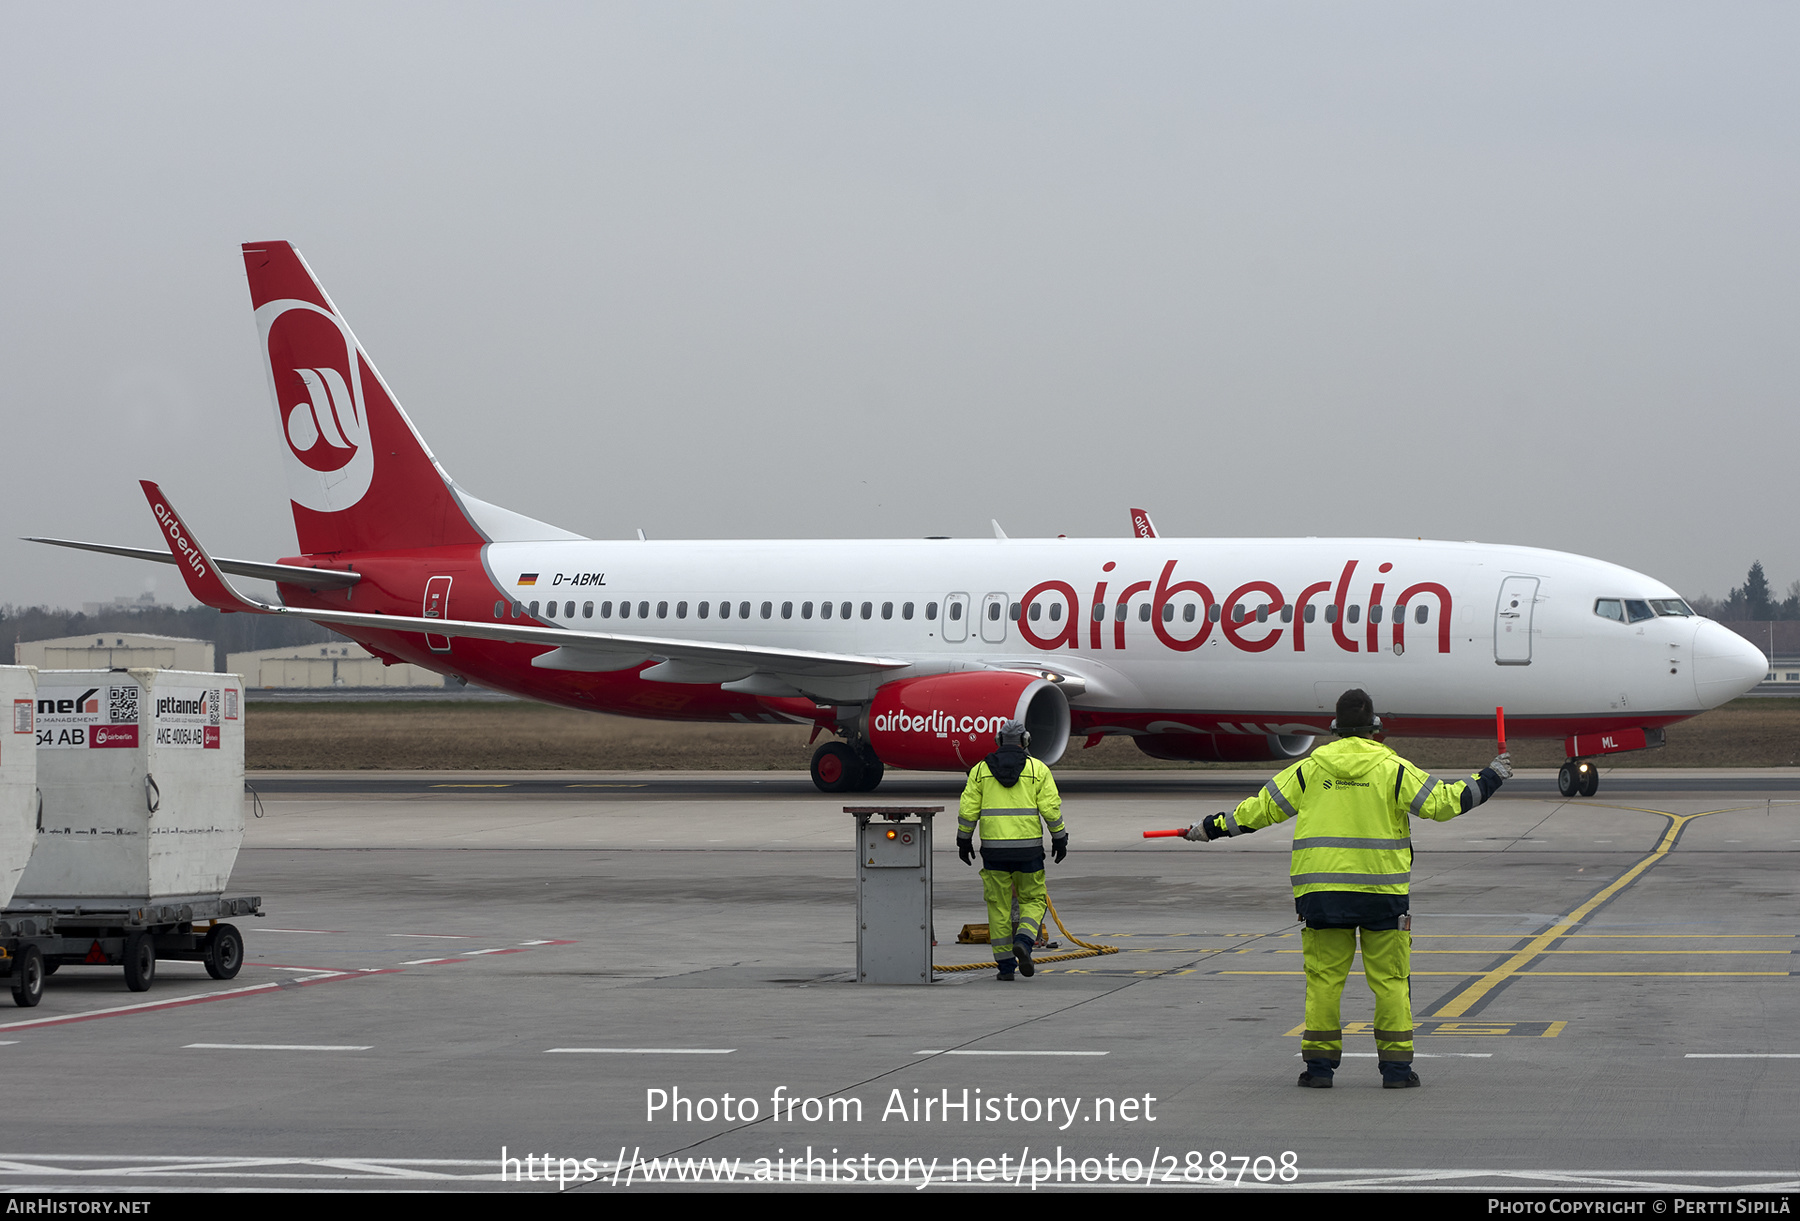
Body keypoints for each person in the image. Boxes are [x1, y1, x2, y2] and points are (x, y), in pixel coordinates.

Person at [1186, 688, 1511, 1089]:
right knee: (1391, 982)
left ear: (1334, 729)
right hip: (1382, 895)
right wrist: (1492, 775)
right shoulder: (1392, 769)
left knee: (1323, 981)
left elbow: (1258, 810)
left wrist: (1209, 828)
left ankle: (1319, 1071)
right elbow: (1445, 803)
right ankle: (1396, 1072)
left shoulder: (1310, 769)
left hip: (1322, 894)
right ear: (1376, 729)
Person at [958, 719, 1067, 981]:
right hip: (1028, 851)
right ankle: (1025, 941)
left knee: (998, 907)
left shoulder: (980, 771)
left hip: (994, 852)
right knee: (1034, 900)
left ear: (998, 741)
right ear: (1026, 740)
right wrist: (1060, 838)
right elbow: (1051, 809)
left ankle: (1006, 967)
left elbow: (968, 809)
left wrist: (964, 840)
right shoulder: (1038, 770)